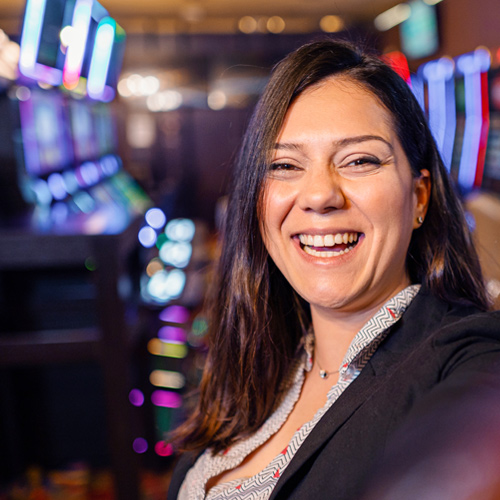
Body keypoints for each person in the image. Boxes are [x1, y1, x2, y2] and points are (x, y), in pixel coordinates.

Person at [167, 39, 500, 500]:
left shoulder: (468, 353)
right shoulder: (263, 358)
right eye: (285, 164)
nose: (320, 194)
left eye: (359, 160)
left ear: (419, 197)